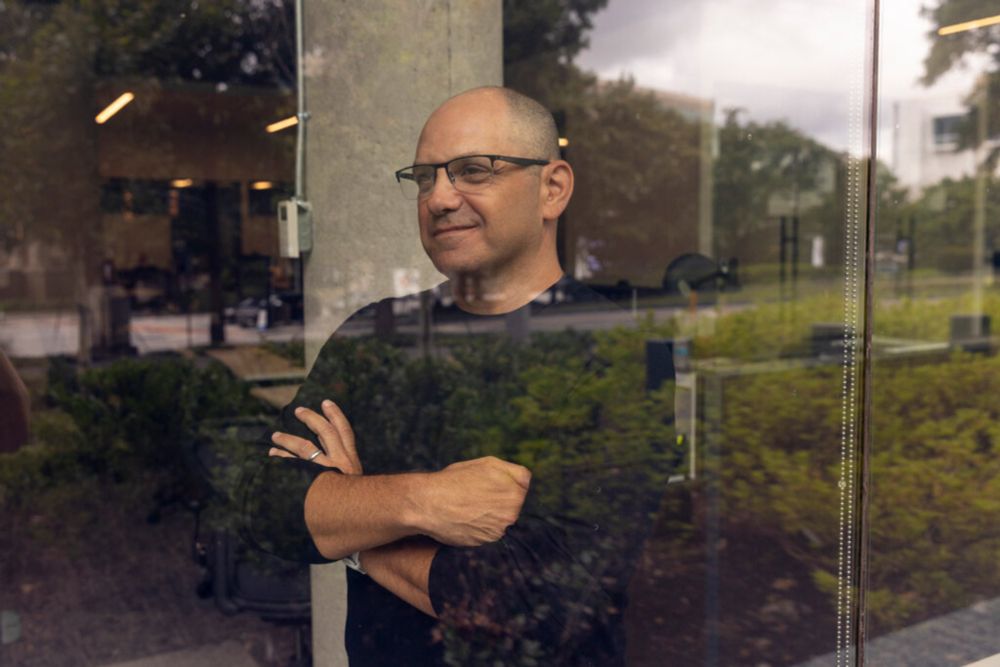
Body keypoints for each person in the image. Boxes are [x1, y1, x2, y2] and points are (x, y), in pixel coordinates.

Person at [243, 86, 673, 665]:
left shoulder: (622, 352)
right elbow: (267, 507)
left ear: (552, 188)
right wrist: (422, 500)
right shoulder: (375, 334)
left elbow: (534, 605)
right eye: (425, 178)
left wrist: (355, 526)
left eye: (474, 170)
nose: (440, 198)